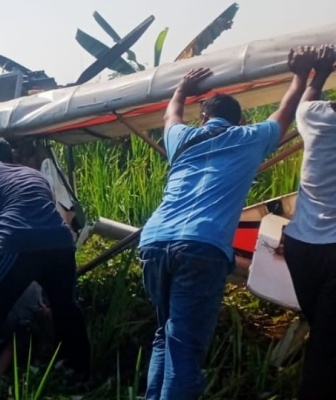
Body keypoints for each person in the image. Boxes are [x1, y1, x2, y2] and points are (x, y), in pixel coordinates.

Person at [137, 47, 315, 400]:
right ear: (241, 121)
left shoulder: (181, 139)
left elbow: (171, 115)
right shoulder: (250, 138)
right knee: (185, 346)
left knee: (165, 334)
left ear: (203, 116)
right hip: (201, 246)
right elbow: (286, 111)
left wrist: (181, 89)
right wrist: (300, 74)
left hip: (154, 241)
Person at [0, 137, 90, 398]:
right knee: (66, 308)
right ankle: (77, 373)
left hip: (16, 243)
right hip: (60, 243)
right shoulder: (34, 175)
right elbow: (42, 212)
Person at [280, 44, 336, 400]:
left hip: (302, 247)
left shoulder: (318, 119)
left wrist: (320, 70)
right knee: (327, 349)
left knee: (324, 329)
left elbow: (308, 97)